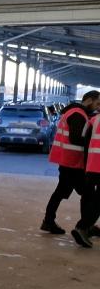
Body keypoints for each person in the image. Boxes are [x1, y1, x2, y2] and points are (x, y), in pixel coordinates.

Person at [42, 91, 100, 236]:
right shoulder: (78, 115)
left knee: (61, 192)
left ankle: (49, 221)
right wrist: (91, 141)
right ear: (89, 100)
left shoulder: (74, 112)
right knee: (88, 195)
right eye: (97, 103)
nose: (97, 107)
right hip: (74, 163)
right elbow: (76, 138)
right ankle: (85, 226)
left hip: (68, 161)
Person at [71, 110, 100, 247]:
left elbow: (84, 142)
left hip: (91, 164)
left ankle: (86, 227)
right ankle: (83, 227)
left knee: (89, 196)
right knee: (97, 200)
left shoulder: (93, 120)